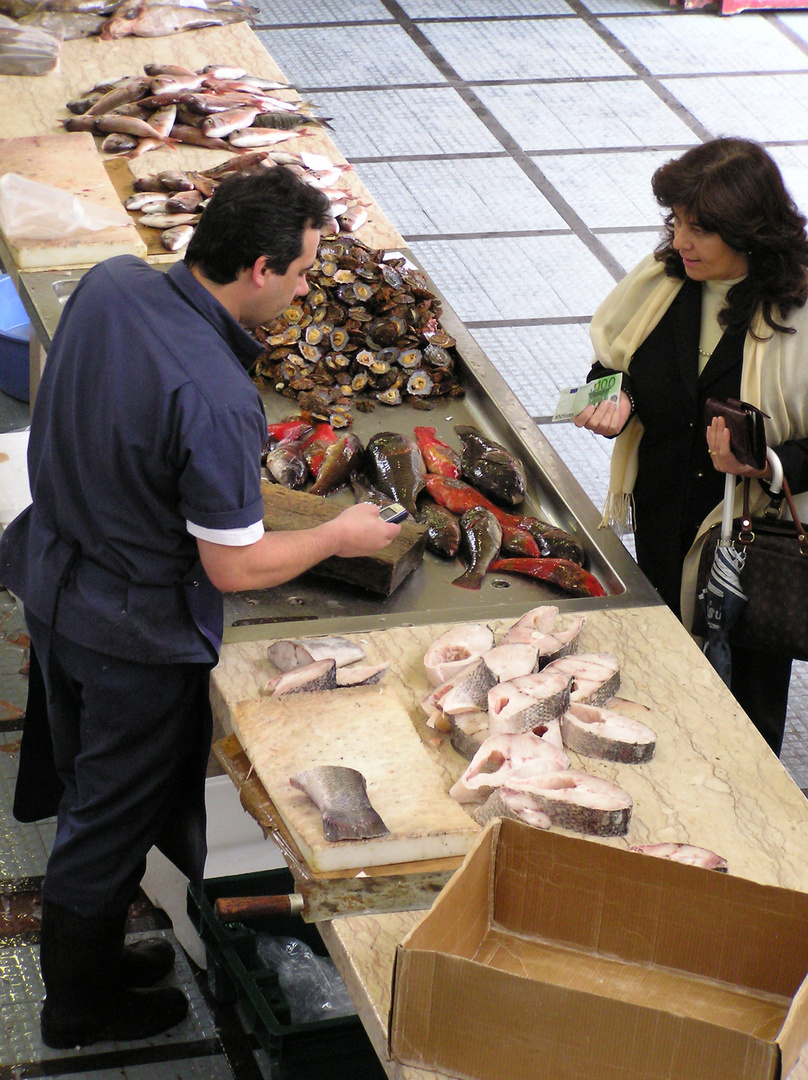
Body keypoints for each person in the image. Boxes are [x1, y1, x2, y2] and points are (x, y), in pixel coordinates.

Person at [0, 165, 401, 1049]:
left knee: (86, 784)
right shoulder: (218, 399)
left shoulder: (111, 282)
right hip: (130, 633)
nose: (303, 289)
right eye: (299, 273)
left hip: (56, 576)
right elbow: (235, 566)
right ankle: (78, 1006)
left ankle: (95, 959)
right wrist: (338, 536)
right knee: (109, 815)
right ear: (257, 267)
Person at [573, 136, 808, 756]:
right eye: (675, 222)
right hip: (662, 512)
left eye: (700, 229)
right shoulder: (662, 284)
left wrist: (766, 462)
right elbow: (606, 361)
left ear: (750, 230)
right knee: (660, 664)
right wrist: (610, 398)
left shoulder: (798, 312)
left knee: (744, 688)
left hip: (753, 539)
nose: (679, 242)